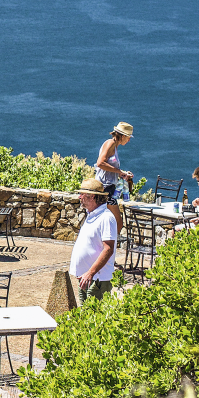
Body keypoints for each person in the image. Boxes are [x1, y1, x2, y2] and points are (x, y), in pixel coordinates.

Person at [68, 176, 117, 304]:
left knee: (95, 318)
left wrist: (91, 273)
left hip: (97, 278)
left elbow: (108, 249)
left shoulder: (106, 217)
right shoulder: (92, 215)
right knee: (86, 316)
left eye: (82, 194)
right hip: (87, 277)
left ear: (93, 197)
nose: (79, 197)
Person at [95, 122, 135, 236]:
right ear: (122, 136)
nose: (129, 140)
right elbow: (100, 163)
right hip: (105, 189)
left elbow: (108, 168)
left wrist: (121, 174)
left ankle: (106, 247)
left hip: (108, 188)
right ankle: (109, 248)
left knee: (109, 222)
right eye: (128, 137)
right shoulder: (110, 143)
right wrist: (119, 171)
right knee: (118, 222)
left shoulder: (114, 146)